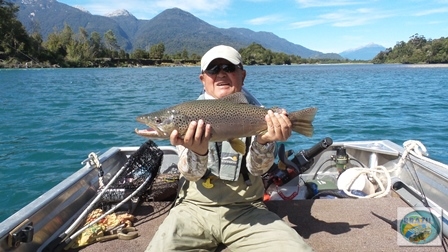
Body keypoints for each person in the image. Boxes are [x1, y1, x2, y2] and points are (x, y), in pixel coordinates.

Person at [146, 45, 312, 251]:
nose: (221, 74)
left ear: (242, 75)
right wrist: (198, 151)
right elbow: (190, 174)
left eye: (229, 68)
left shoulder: (260, 115)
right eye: (213, 70)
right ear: (203, 79)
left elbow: (259, 171)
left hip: (248, 209)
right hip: (193, 210)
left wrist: (264, 141)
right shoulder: (187, 114)